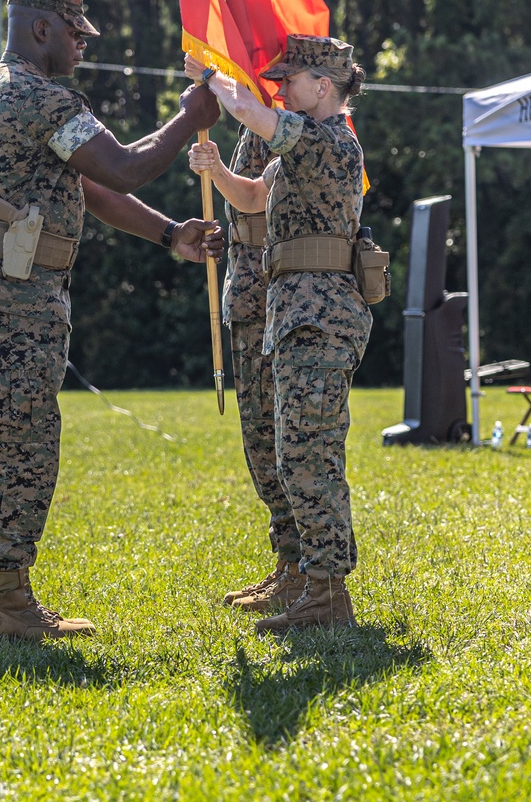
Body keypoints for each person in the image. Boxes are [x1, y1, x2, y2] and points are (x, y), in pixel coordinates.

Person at [0, 0, 222, 644]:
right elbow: (123, 168)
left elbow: (91, 186)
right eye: (76, 29)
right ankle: (7, 606)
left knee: (23, 444)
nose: (85, 40)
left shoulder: (16, 92)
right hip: (9, 301)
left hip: (8, 295)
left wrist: (166, 234)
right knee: (20, 449)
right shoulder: (36, 95)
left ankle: (10, 598)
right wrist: (190, 117)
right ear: (42, 30)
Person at [186, 35, 370, 633]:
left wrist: (211, 77)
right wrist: (217, 172)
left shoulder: (332, 140)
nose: (282, 87)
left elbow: (250, 112)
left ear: (325, 85)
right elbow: (255, 196)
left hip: (319, 314)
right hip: (294, 313)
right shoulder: (300, 146)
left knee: (310, 453)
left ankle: (326, 593)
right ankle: (312, 581)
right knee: (294, 451)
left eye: (292, 79)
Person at [214, 125, 304, 615]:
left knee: (277, 440)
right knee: (259, 439)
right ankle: (288, 563)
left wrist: (214, 170)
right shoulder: (255, 124)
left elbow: (257, 201)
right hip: (249, 297)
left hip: (273, 296)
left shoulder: (281, 122)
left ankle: (300, 570)